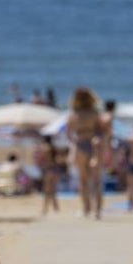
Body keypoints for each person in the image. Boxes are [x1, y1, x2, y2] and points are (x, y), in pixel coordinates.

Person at [65, 86, 105, 218]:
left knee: (83, 180)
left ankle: (86, 208)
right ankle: (97, 210)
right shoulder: (94, 113)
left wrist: (74, 144)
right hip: (93, 145)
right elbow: (101, 131)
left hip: (80, 145)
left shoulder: (73, 114)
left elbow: (69, 135)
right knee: (96, 179)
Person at [36, 135, 62, 214]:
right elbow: (59, 159)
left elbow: (41, 160)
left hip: (49, 170)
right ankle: (56, 207)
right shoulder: (55, 148)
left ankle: (45, 208)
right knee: (53, 190)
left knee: (47, 190)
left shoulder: (45, 149)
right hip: (56, 170)